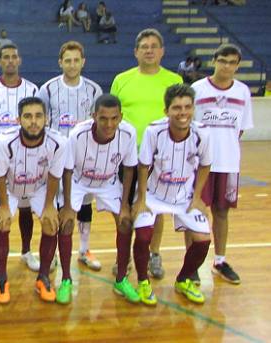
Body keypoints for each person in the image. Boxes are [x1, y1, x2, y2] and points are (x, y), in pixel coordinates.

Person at [110, 28, 183, 279]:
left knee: (156, 208)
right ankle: (125, 255)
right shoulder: (122, 79)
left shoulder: (173, 81)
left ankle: (154, 253)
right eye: (144, 46)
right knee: (126, 207)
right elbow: (114, 117)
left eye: (154, 46)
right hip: (128, 157)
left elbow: (181, 115)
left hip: (162, 157)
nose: (149, 50)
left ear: (162, 51)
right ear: (136, 52)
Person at [131, 84, 212, 305]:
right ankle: (143, 282)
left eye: (187, 107)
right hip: (154, 195)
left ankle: (184, 279)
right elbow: (143, 166)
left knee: (203, 239)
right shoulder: (153, 131)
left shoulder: (202, 133)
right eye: (177, 108)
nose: (183, 113)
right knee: (143, 236)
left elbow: (205, 166)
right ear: (166, 111)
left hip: (184, 197)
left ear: (194, 108)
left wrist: (197, 198)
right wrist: (141, 200)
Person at [62, 94, 137, 304]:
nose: (109, 124)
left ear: (121, 117)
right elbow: (67, 170)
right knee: (66, 223)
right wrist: (68, 206)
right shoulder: (78, 134)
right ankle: (66, 279)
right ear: (94, 115)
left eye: (114, 118)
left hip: (108, 182)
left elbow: (129, 169)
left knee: (125, 222)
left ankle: (121, 279)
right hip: (79, 180)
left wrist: (124, 206)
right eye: (103, 118)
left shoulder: (129, 133)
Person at [0, 97, 67, 304]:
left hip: (39, 188)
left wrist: (49, 207)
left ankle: (43, 278)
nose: (33, 121)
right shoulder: (3, 142)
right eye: (27, 116)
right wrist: (4, 207)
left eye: (38, 116)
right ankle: (1, 279)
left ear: (46, 118)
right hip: (9, 187)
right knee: (3, 222)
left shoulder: (58, 143)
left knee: (52, 223)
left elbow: (54, 176)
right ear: (18, 119)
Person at [191, 43, 253, 285]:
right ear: (214, 60)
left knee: (222, 212)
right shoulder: (197, 89)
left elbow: (240, 131)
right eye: (223, 61)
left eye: (232, 62)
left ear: (237, 66)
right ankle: (193, 263)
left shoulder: (243, 92)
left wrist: (224, 147)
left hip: (228, 163)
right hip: (200, 163)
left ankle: (219, 260)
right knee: (195, 213)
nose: (227, 66)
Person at [39, 41, 103, 272]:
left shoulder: (94, 90)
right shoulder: (47, 89)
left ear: (83, 62)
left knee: (83, 204)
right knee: (57, 204)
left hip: (84, 157)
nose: (72, 64)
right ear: (60, 62)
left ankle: (84, 249)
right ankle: (54, 251)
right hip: (57, 157)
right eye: (68, 60)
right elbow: (41, 122)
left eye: (76, 60)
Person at [0, 43, 41, 272]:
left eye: (14, 56)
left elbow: (40, 124)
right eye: (6, 57)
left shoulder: (33, 89)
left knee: (25, 207)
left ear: (20, 60)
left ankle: (26, 251)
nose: (11, 60)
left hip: (28, 157)